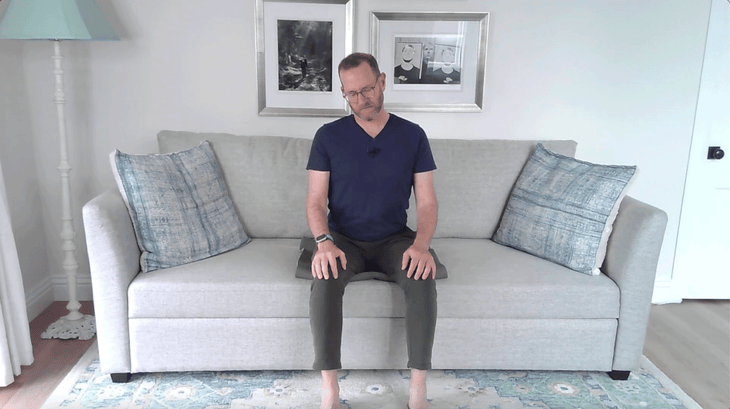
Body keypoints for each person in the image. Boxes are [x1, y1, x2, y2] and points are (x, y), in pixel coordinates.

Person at [306, 52, 438, 409]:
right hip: (343, 239)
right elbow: (316, 201)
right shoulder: (327, 136)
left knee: (422, 274)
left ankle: (417, 390)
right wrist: (323, 242)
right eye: (352, 94)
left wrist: (422, 245)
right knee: (325, 276)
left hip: (394, 238)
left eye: (367, 89)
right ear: (343, 94)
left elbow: (426, 203)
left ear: (382, 81)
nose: (361, 100)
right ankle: (330, 388)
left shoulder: (413, 135)